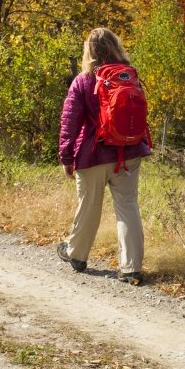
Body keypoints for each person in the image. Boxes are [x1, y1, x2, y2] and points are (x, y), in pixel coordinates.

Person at [57, 27, 151, 285]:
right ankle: (131, 267)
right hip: (128, 152)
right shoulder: (129, 75)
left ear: (89, 51)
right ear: (116, 46)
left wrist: (66, 157)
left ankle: (76, 255)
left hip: (94, 155)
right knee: (128, 206)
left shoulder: (83, 80)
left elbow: (70, 122)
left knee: (89, 206)